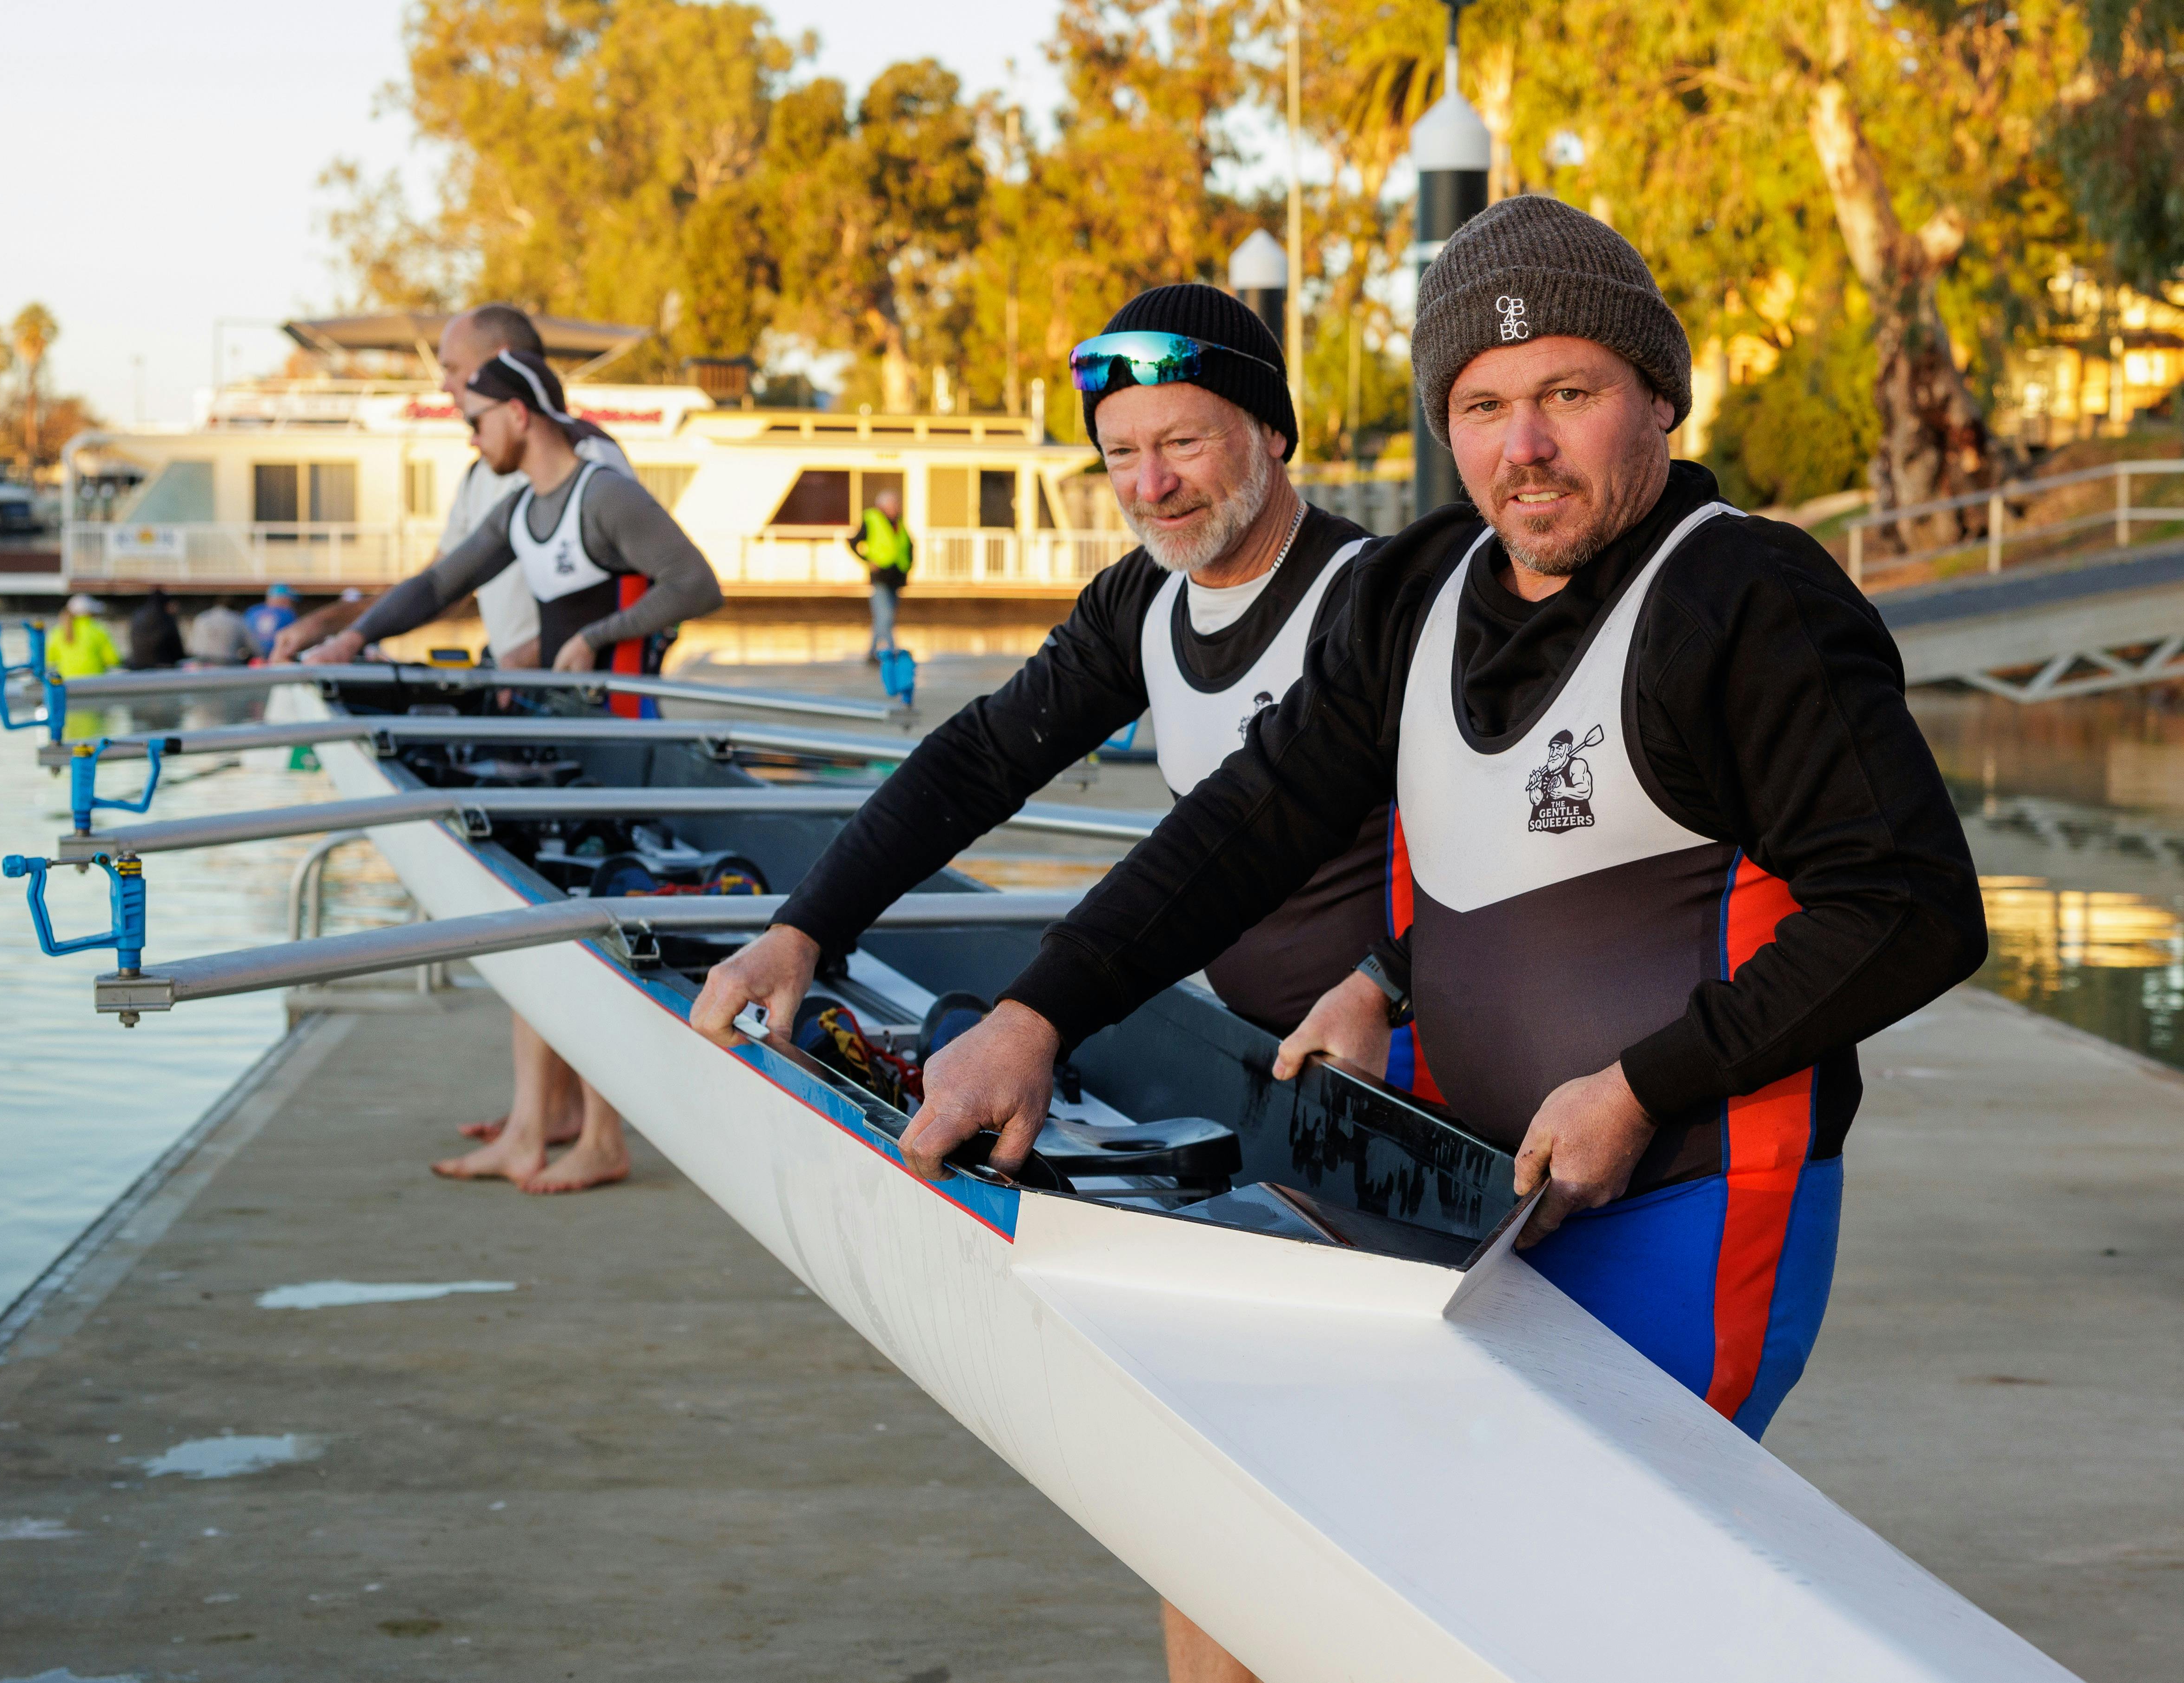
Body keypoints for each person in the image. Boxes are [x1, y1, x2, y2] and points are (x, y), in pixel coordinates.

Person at [900, 195, 1986, 1682]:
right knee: (1225, 1526)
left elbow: (1911, 909)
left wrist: (1643, 1086)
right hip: (1462, 1192)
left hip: (1688, 1200)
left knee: (1532, 1619)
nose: (1521, 447)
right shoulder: (1415, 593)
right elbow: (1250, 822)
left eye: (1567, 393)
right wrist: (1039, 1017)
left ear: (1658, 396)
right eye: (1480, 407)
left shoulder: (1749, 599)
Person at [693, 282, 1386, 1063]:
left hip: (1393, 1060)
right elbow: (980, 761)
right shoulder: (1141, 597)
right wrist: (803, 929)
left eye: (1183, 443)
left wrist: (1382, 987)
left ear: (1271, 431)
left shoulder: (1374, 597)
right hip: (1262, 1053)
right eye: (1120, 453)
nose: (1150, 487)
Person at [312, 347, 723, 1194]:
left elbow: (695, 583)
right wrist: (353, 639)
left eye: (475, 420)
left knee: (592, 935)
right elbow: (440, 583)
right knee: (539, 926)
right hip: (560, 741)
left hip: (618, 744)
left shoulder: (601, 495)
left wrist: (596, 639)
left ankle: (601, 1136)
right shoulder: (522, 510)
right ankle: (535, 1126)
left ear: (518, 413)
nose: (471, 437)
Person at [269, 305, 635, 668]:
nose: (444, 386)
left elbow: (638, 588)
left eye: (452, 369)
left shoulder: (589, 460)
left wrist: (531, 656)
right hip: (524, 687)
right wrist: (338, 629)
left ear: (502, 364)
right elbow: (441, 585)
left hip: (576, 691)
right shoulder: (488, 478)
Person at [849, 486, 912, 660]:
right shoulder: (872, 519)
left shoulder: (899, 523)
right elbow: (853, 542)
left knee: (882, 618)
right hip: (881, 578)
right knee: (886, 616)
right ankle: (892, 651)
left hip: (897, 576)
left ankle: (872, 653)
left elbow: (908, 546)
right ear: (883, 505)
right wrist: (868, 560)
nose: (898, 507)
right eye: (894, 504)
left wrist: (909, 568)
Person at [46, 594, 120, 679]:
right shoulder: (99, 630)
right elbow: (113, 660)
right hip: (94, 682)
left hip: (67, 682)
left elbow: (49, 659)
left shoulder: (58, 632)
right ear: (90, 613)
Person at [184, 598, 259, 665]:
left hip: (201, 663)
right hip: (227, 664)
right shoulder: (237, 619)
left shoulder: (202, 617)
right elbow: (254, 648)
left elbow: (190, 648)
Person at [124, 587, 184, 670]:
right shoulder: (165, 618)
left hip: (139, 665)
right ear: (167, 604)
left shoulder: (138, 615)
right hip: (162, 666)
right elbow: (176, 649)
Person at [245, 584, 300, 653]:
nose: (292, 605)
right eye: (291, 601)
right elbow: (295, 639)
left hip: (252, 656)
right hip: (276, 656)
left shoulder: (252, 611)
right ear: (285, 600)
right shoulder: (288, 614)